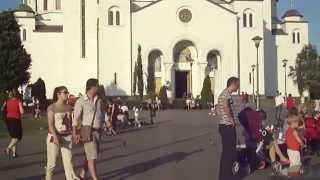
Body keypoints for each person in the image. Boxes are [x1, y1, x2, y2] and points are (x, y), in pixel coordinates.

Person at [72, 79, 106, 180]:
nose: (98, 87)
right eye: (97, 86)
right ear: (92, 87)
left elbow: (102, 113)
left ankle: (82, 174)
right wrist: (75, 133)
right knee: (92, 158)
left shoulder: (98, 99)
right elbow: (76, 118)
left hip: (98, 131)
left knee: (90, 155)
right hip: (88, 131)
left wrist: (107, 122)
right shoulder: (81, 101)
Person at [45, 86, 79, 180]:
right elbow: (51, 124)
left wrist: (74, 134)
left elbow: (71, 123)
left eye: (67, 92)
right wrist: (55, 137)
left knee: (69, 162)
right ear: (58, 94)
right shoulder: (52, 107)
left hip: (67, 137)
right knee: (52, 164)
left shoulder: (69, 107)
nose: (67, 94)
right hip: (54, 137)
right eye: (65, 92)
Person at [216, 77, 240, 180]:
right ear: (233, 84)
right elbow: (225, 106)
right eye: (237, 85)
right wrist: (231, 120)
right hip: (227, 126)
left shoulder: (223, 93)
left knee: (226, 152)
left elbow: (217, 108)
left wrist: (221, 117)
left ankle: (224, 176)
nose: (238, 87)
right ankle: (227, 176)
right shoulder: (226, 94)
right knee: (230, 152)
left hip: (223, 125)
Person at [2, 89, 24, 158]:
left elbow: (2, 108)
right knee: (18, 137)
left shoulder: (7, 101)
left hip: (8, 120)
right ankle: (8, 148)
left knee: (13, 137)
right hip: (16, 120)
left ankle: (14, 153)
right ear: (17, 95)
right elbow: (22, 112)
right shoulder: (18, 101)